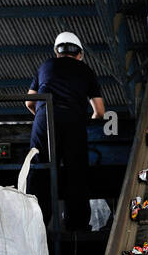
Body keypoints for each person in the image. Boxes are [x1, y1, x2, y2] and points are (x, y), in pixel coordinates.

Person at [26, 31, 105, 231]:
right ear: (79, 54)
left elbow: (29, 101)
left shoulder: (46, 66)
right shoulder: (85, 70)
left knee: (40, 170)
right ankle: (76, 225)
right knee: (76, 172)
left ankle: (36, 225)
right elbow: (100, 111)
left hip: (45, 118)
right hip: (73, 119)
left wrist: (43, 117)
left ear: (57, 51)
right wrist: (91, 120)